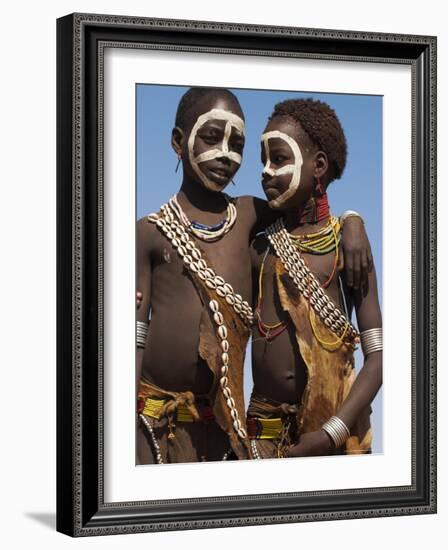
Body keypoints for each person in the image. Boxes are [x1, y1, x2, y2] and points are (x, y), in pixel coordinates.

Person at [136, 87, 372, 464]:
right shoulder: (151, 231)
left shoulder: (247, 216)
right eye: (212, 137)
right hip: (151, 424)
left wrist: (353, 221)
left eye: (237, 144)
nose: (226, 154)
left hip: (221, 431)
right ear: (179, 142)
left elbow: (307, 208)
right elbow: (130, 340)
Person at [247, 98, 382, 460]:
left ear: (318, 165)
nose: (265, 171)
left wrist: (329, 434)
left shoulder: (348, 249)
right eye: (263, 160)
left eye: (279, 159)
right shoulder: (259, 246)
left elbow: (378, 358)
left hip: (334, 438)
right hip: (262, 438)